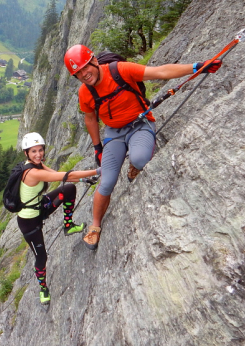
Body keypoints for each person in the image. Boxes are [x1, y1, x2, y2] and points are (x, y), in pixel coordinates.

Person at [64, 44, 223, 250]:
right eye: (78, 73)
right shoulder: (85, 93)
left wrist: (198, 67)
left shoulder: (120, 70)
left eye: (86, 67)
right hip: (114, 134)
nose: (84, 74)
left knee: (139, 158)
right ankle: (95, 226)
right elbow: (90, 119)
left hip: (140, 123)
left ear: (94, 60)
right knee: (107, 181)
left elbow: (160, 71)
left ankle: (134, 166)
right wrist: (97, 147)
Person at [17, 132, 99, 304]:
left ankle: (68, 225)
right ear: (26, 153)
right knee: (41, 257)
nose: (38, 154)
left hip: (41, 207)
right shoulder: (32, 172)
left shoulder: (36, 165)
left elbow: (60, 174)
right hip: (29, 223)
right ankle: (43, 289)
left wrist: (84, 180)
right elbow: (65, 176)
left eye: (40, 150)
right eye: (33, 151)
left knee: (68, 189)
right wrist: (99, 170)